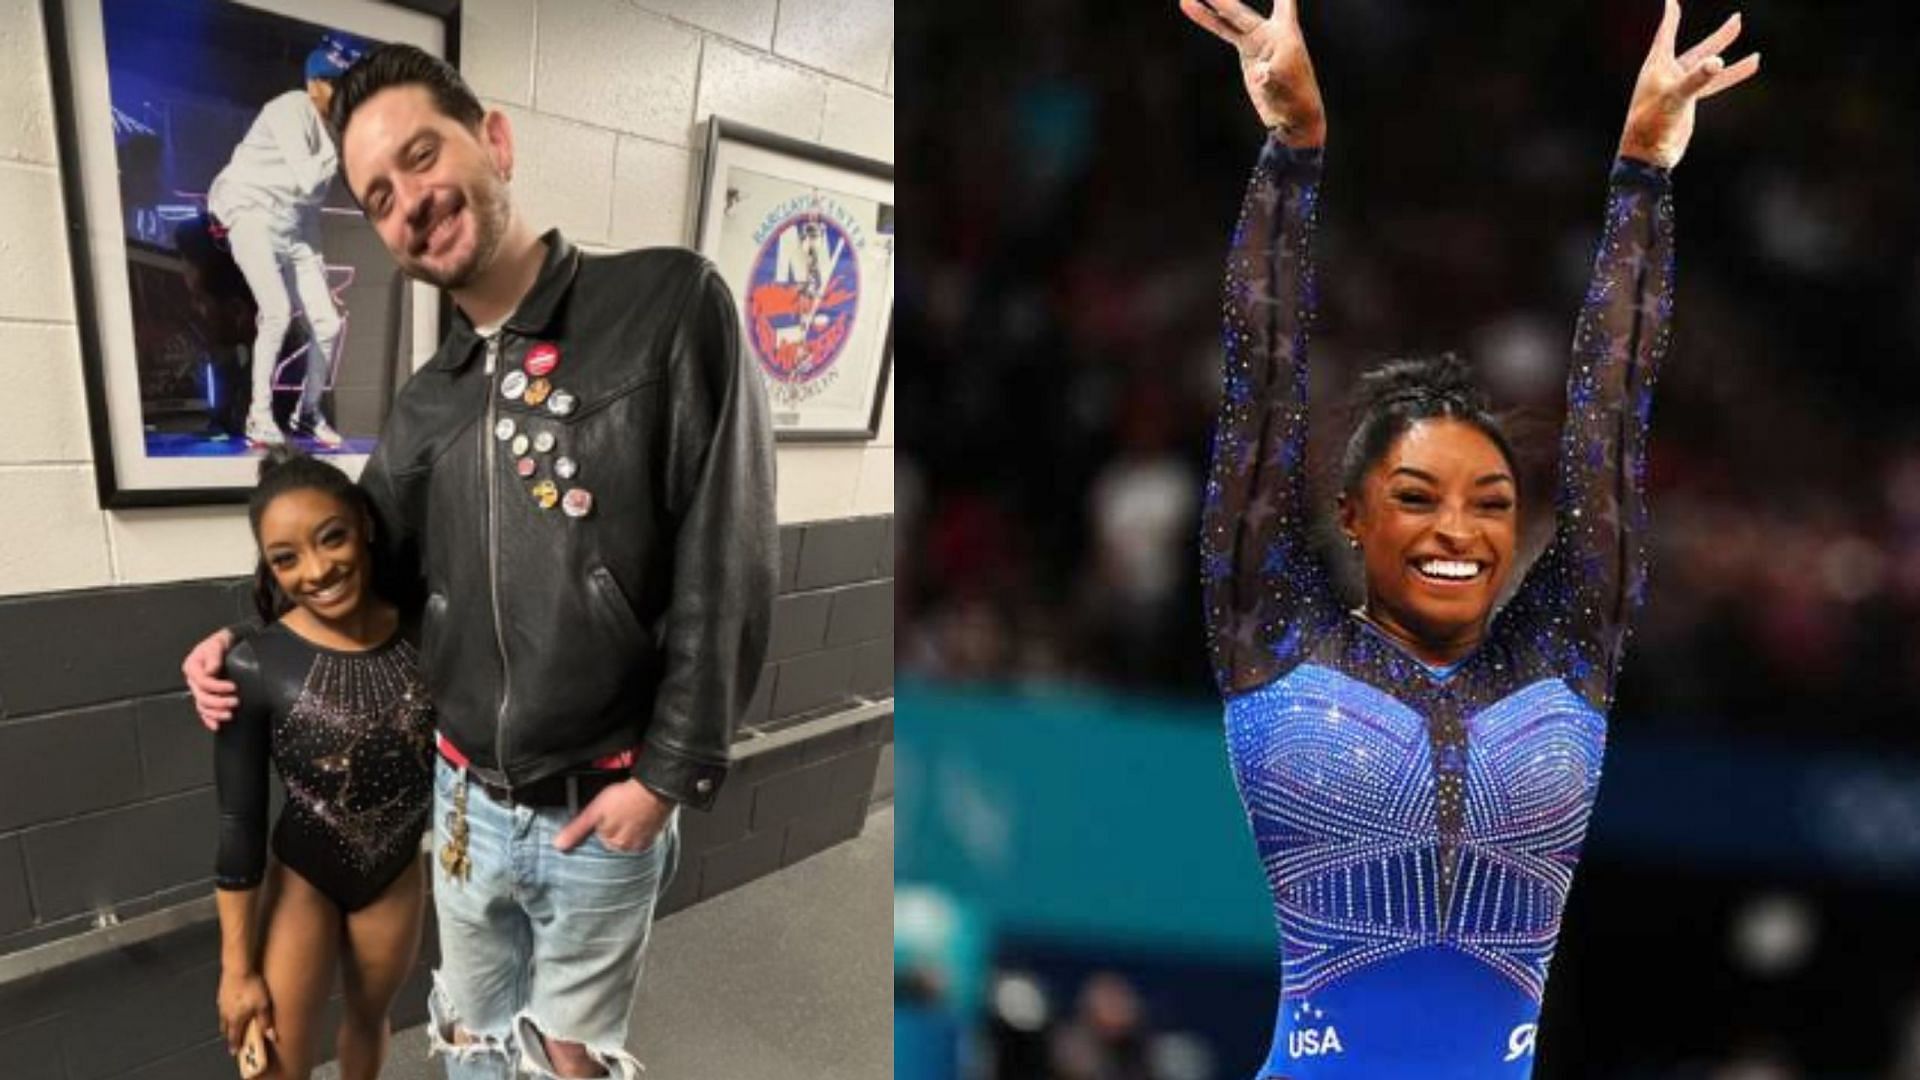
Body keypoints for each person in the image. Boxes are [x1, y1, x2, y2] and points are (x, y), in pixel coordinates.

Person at [1181, 0, 1756, 1074]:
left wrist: (1643, 176)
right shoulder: (1278, 633)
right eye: (1417, 496)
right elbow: (1259, 381)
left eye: (1492, 501)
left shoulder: (1566, 652)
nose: (1460, 529)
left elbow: (1613, 418)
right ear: (1349, 516)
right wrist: (1292, 157)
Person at [183, 43, 778, 1078]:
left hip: (601, 802)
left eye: (423, 156)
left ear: (493, 139)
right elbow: (357, 571)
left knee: (567, 1059)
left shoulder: (670, 309)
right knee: (466, 1040)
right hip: (460, 807)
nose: (408, 202)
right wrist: (241, 639)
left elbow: (728, 557)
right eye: (377, 195)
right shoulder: (425, 402)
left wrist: (669, 777)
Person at [214, 447, 431, 1078]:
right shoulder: (255, 665)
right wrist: (236, 970)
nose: (317, 570)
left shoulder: (428, 630)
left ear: (363, 524)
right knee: (278, 1065)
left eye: (330, 538)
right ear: (271, 568)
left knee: (369, 1020)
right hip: (303, 879)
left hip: (394, 873)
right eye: (286, 558)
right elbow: (239, 824)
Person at [208, 39, 357, 450]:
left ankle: (307, 413)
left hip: (293, 225)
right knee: (276, 312)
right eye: (336, 84)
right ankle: (259, 416)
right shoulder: (291, 107)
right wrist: (344, 146)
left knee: (328, 322)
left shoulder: (328, 129)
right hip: (250, 212)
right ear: (314, 84)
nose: (345, 94)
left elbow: (308, 204)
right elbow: (309, 179)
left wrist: (314, 258)